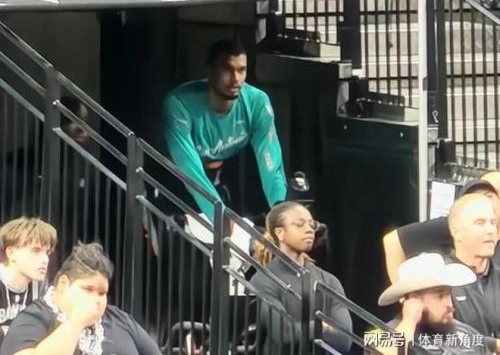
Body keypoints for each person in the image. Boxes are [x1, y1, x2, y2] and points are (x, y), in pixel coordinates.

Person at [163, 39, 287, 222]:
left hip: (221, 177)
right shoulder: (179, 103)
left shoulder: (257, 101)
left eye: (241, 70)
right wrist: (218, 216)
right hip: (175, 178)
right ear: (210, 71)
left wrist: (280, 209)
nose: (236, 79)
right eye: (227, 70)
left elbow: (269, 159)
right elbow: (188, 166)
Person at [0, 242, 161, 355]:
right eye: (88, 289)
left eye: (102, 293)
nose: (96, 299)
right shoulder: (34, 318)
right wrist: (76, 322)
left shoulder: (120, 319)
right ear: (63, 284)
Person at [250, 201, 352, 354]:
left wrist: (308, 329)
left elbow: (345, 340)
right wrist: (322, 327)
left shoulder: (329, 280)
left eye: (312, 224)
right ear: (279, 233)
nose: (309, 229)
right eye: (299, 224)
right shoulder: (263, 280)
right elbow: (283, 333)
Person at [372, 253, 496, 355]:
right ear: (414, 299)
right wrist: (409, 321)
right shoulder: (386, 333)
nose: (449, 304)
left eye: (448, 294)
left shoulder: (464, 331)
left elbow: (488, 344)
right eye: (440, 296)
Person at [383, 178, 500, 282]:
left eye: (489, 196)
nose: (484, 202)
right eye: (479, 223)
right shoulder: (450, 225)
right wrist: (402, 291)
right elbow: (392, 241)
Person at [446, 194, 500, 338]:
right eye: (480, 223)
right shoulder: (439, 282)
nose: (490, 230)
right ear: (456, 231)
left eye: (493, 222)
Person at [0, 217, 57, 337]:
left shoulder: (43, 290)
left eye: (47, 252)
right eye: (36, 251)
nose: (45, 259)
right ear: (11, 253)